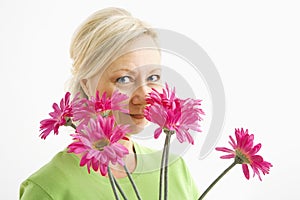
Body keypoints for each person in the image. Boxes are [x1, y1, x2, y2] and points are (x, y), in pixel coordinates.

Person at [19, 7, 200, 199]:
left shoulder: (174, 170)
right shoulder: (49, 188)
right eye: (123, 79)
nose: (145, 95)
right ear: (87, 85)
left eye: (153, 76)